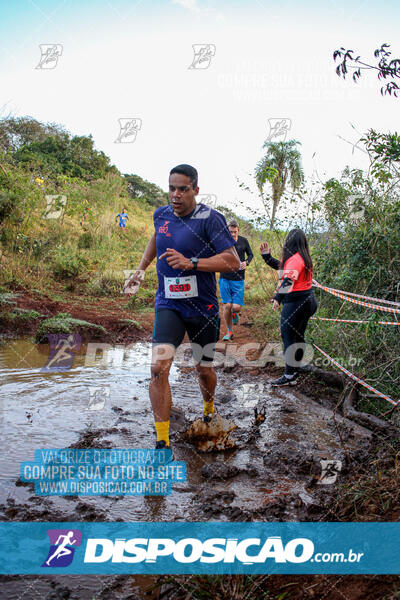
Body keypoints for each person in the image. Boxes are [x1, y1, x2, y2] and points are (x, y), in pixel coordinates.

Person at [124, 164, 240, 449]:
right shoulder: (161, 214)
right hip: (168, 304)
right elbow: (156, 238)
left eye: (183, 189)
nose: (175, 195)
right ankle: (162, 441)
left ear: (195, 190)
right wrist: (139, 272)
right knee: (158, 368)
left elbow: (232, 261)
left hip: (203, 308)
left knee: (203, 369)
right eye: (171, 188)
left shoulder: (211, 219)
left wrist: (193, 263)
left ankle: (209, 407)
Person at [260, 229, 317, 386]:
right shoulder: (303, 257)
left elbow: (287, 281)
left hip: (296, 303)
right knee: (298, 336)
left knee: (288, 338)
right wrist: (268, 258)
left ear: (289, 242)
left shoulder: (295, 260)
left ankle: (290, 375)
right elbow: (284, 269)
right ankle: (296, 369)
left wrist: (278, 298)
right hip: (309, 300)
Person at [219, 221, 253, 341]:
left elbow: (250, 254)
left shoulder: (243, 241)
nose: (232, 234)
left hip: (238, 278)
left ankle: (234, 314)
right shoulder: (223, 242)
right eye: (230, 232)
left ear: (238, 230)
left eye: (234, 231)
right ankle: (229, 331)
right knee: (227, 305)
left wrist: (246, 262)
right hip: (224, 277)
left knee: (236, 307)